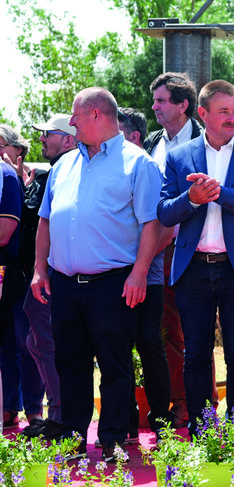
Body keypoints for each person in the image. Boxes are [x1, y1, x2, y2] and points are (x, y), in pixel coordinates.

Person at [30, 87, 163, 463]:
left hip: (113, 283)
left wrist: (139, 274)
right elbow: (45, 221)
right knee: (69, 364)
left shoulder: (138, 163)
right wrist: (41, 269)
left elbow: (151, 224)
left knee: (115, 365)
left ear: (97, 115)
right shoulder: (63, 166)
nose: (70, 123)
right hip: (65, 285)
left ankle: (113, 440)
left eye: (75, 115)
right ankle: (73, 437)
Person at [157, 79, 234, 434]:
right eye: (223, 111)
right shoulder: (179, 156)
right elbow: (164, 212)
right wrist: (192, 198)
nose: (232, 118)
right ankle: (202, 429)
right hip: (193, 268)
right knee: (195, 353)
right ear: (203, 113)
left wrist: (220, 193)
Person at [144, 72, 204, 428]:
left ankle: (201, 406)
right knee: (165, 330)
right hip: (157, 250)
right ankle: (174, 402)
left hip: (195, 248)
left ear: (183, 105)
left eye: (162, 100)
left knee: (194, 331)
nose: (155, 107)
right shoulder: (154, 142)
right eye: (155, 101)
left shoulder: (205, 139)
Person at [117, 107, 175, 443]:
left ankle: (161, 421)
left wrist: (138, 267)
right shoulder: (112, 169)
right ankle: (125, 422)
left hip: (147, 279)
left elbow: (165, 230)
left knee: (150, 345)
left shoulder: (148, 167)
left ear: (134, 135)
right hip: (115, 279)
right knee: (117, 349)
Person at [20, 115, 77, 440]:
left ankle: (60, 417)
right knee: (35, 342)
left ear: (68, 139)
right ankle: (57, 411)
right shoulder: (59, 169)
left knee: (46, 342)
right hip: (48, 270)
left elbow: (36, 217)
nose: (42, 140)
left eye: (49, 134)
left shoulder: (66, 169)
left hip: (56, 271)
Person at [0, 125, 45, 431]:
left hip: (22, 273)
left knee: (26, 343)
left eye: (1, 144)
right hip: (13, 272)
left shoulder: (21, 178)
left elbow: (7, 232)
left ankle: (32, 409)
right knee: (8, 344)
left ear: (18, 149)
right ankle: (10, 407)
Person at [0, 126, 25, 429]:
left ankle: (9, 409)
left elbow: (4, 234)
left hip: (3, 269)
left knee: (7, 344)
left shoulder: (6, 177)